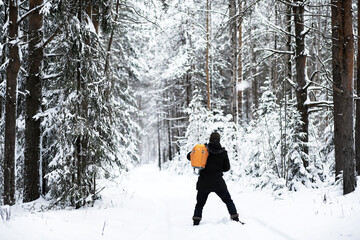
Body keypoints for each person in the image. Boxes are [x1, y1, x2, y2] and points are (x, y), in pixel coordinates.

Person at [187, 131, 239, 226]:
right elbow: (226, 168)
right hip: (218, 183)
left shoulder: (203, 150)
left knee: (199, 204)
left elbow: (188, 157)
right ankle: (235, 218)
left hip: (203, 183)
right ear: (219, 140)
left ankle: (196, 221)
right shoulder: (223, 152)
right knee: (228, 200)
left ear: (210, 139)